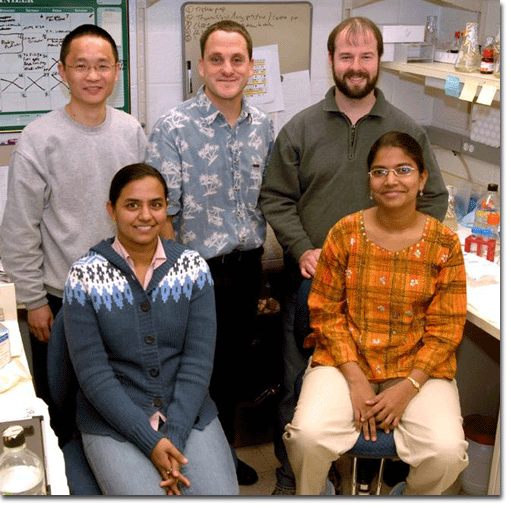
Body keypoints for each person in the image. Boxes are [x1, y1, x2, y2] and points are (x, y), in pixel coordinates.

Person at [259, 17, 449, 495]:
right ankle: (295, 476)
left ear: (378, 62)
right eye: (347, 56)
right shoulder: (300, 127)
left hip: (386, 289)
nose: (356, 66)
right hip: (310, 281)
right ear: (331, 62)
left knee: (384, 379)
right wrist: (302, 248)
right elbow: (275, 196)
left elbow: (434, 199)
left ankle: (377, 476)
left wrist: (397, 253)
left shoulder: (405, 130)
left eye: (366, 56)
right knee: (295, 386)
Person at [283, 131, 468, 495]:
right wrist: (355, 379)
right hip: (344, 359)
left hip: (418, 367)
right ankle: (316, 494)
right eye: (379, 172)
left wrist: (409, 387)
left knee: (447, 454)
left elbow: (446, 328)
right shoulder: (345, 233)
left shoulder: (444, 244)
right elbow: (325, 314)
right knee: (307, 437)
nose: (391, 180)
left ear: (422, 178)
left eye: (403, 169)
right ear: (369, 181)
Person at [0, 24, 147, 442]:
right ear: (62, 72)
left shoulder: (130, 132)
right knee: (61, 409)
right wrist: (33, 302)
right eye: (81, 66)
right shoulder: (39, 138)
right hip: (59, 300)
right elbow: (19, 227)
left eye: (102, 66)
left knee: (117, 402)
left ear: (117, 71)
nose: (93, 75)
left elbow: (143, 216)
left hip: (121, 294)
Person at [58, 163, 238, 496]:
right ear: (112, 210)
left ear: (166, 208)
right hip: (114, 419)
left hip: (187, 412)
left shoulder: (193, 268)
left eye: (155, 204)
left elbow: (198, 362)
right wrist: (150, 441)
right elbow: (94, 375)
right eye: (132, 205)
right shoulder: (83, 276)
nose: (145, 215)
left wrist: (176, 435)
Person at [146, 19, 274, 486]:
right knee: (193, 372)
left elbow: (268, 198)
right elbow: (159, 212)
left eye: (236, 59)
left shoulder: (263, 125)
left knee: (234, 371)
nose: (226, 68)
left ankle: (222, 453)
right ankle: (183, 453)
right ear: (201, 65)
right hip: (193, 272)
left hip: (247, 267)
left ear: (250, 66)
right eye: (216, 59)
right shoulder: (174, 127)